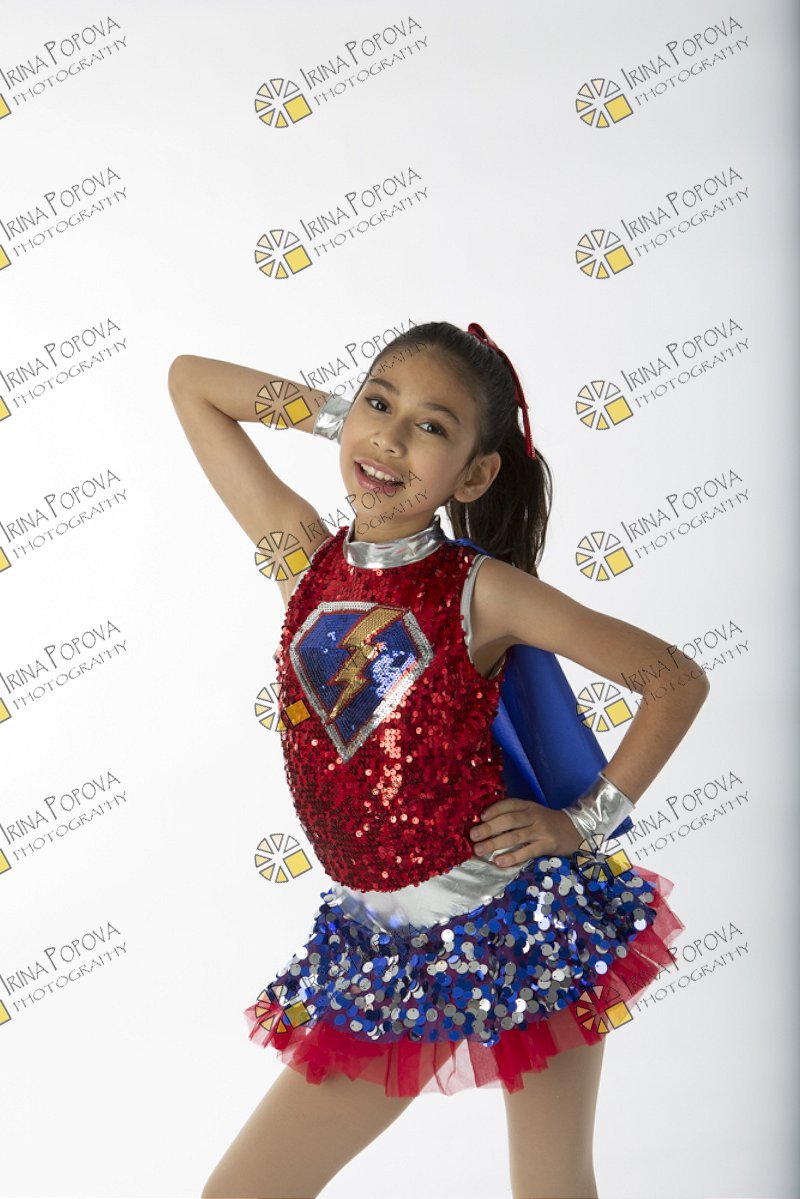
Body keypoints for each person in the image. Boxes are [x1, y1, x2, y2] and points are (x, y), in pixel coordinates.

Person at [168, 321, 707, 1199]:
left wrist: (581, 823)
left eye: (430, 426)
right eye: (380, 404)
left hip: (522, 926)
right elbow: (192, 381)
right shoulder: (301, 557)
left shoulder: (481, 591)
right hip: (383, 944)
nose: (390, 437)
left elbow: (674, 679)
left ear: (476, 474)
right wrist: (348, 419)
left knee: (553, 1187)